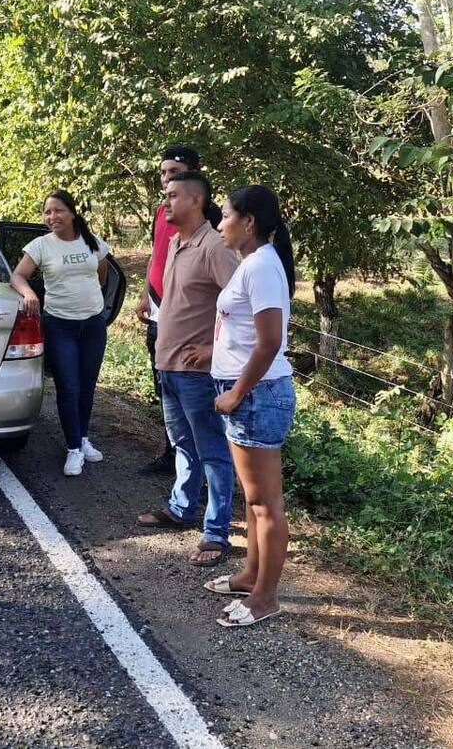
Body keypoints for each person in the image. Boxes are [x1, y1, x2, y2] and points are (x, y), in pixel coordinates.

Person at [201, 185, 297, 628]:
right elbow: (240, 331)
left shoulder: (260, 267)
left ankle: (265, 598)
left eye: (224, 216)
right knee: (254, 499)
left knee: (265, 504)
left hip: (257, 396)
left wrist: (237, 392)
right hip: (249, 392)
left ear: (249, 222)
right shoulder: (255, 264)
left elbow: (271, 341)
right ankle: (249, 576)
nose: (220, 225)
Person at [135, 172, 240, 567]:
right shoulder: (177, 241)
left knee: (213, 451)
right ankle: (181, 509)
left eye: (173, 195)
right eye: (165, 195)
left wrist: (215, 350)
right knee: (182, 444)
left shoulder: (214, 247)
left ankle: (216, 532)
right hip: (168, 365)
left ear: (196, 201)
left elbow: (241, 306)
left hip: (197, 373)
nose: (165, 201)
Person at [10, 189, 111, 476]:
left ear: (72, 213)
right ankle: (73, 450)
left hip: (92, 324)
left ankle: (83, 438)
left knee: (87, 385)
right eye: (47, 212)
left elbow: (101, 275)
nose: (52, 217)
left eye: (58, 210)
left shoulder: (93, 243)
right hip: (59, 325)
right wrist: (29, 293)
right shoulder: (40, 246)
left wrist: (93, 303)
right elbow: (17, 275)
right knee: (68, 386)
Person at [134, 144, 199, 476]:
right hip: (158, 311)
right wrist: (145, 293)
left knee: (187, 388)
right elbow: (156, 254)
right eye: (162, 173)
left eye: (173, 173)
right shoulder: (162, 212)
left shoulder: (207, 216)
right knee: (164, 386)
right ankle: (171, 451)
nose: (165, 180)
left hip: (186, 319)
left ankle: (194, 461)